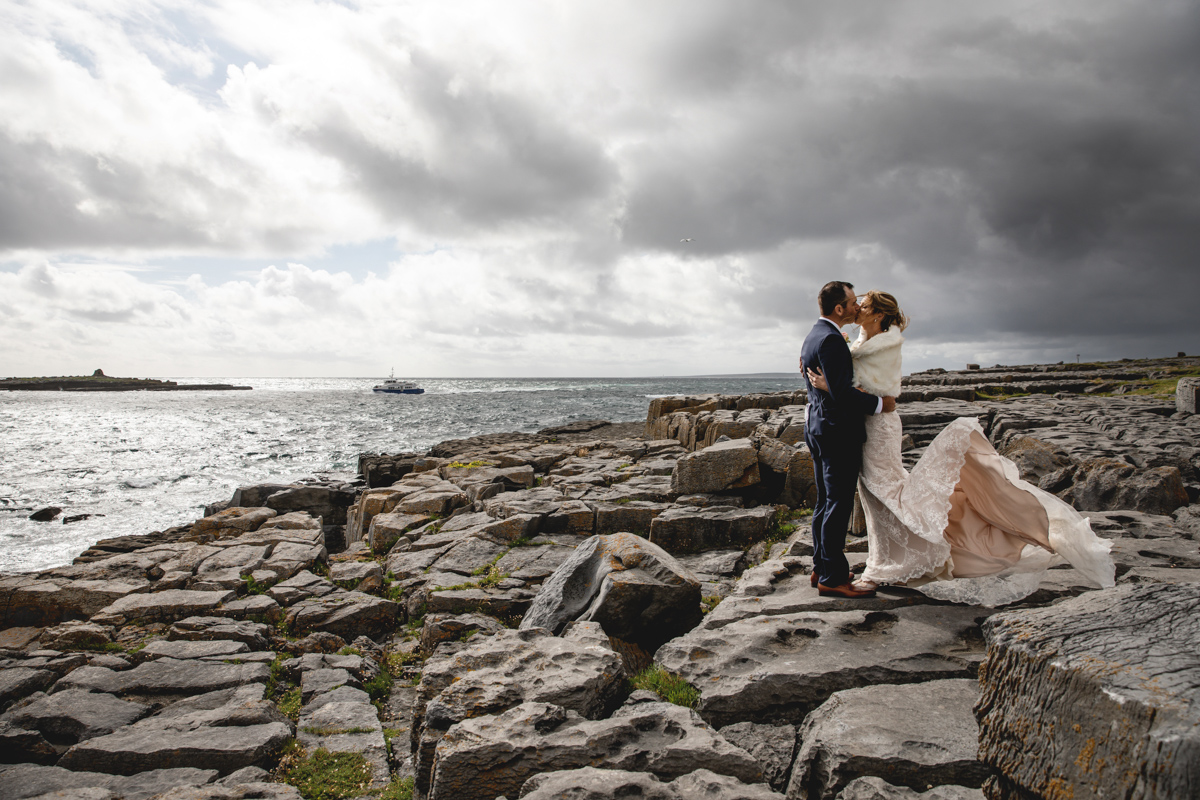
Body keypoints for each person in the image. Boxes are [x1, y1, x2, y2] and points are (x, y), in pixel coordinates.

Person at [806, 290, 1114, 605]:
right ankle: (884, 561)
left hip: (880, 425)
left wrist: (833, 386)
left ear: (878, 315)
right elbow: (840, 371)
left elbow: (885, 398)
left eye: (865, 305)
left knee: (886, 489)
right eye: (856, 303)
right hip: (863, 425)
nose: (858, 308)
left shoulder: (885, 346)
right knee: (876, 494)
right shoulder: (853, 340)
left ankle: (902, 560)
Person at [800, 281, 896, 599]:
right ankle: (833, 576)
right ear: (839, 308)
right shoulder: (830, 339)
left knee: (825, 501)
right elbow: (842, 394)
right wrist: (881, 404)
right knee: (837, 504)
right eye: (853, 302)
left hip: (818, 427)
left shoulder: (816, 334)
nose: (856, 306)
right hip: (837, 432)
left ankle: (821, 565)